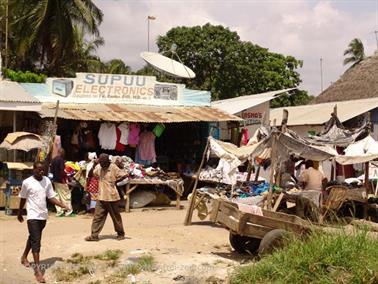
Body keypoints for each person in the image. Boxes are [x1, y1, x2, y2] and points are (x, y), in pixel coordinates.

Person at [18, 161, 70, 283]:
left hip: (43, 216)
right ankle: (38, 271)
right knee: (37, 241)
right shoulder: (27, 182)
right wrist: (20, 212)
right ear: (33, 169)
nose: (41, 172)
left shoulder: (46, 181)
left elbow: (50, 197)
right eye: (39, 170)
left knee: (33, 237)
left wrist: (62, 205)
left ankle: (24, 257)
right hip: (32, 215)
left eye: (43, 170)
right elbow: (23, 198)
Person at [85, 153, 127, 241]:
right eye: (101, 162)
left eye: (104, 162)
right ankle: (94, 235)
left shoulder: (113, 167)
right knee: (97, 217)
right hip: (101, 196)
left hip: (112, 197)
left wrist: (115, 182)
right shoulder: (98, 167)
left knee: (116, 217)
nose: (103, 164)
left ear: (108, 162)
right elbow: (91, 175)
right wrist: (94, 164)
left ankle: (120, 234)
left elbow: (124, 175)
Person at [50, 148, 73, 216]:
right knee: (66, 195)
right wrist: (68, 177)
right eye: (64, 153)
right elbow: (62, 171)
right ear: (62, 153)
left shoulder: (53, 160)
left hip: (55, 180)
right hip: (61, 180)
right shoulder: (61, 160)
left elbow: (51, 171)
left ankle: (59, 211)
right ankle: (68, 210)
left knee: (57, 196)